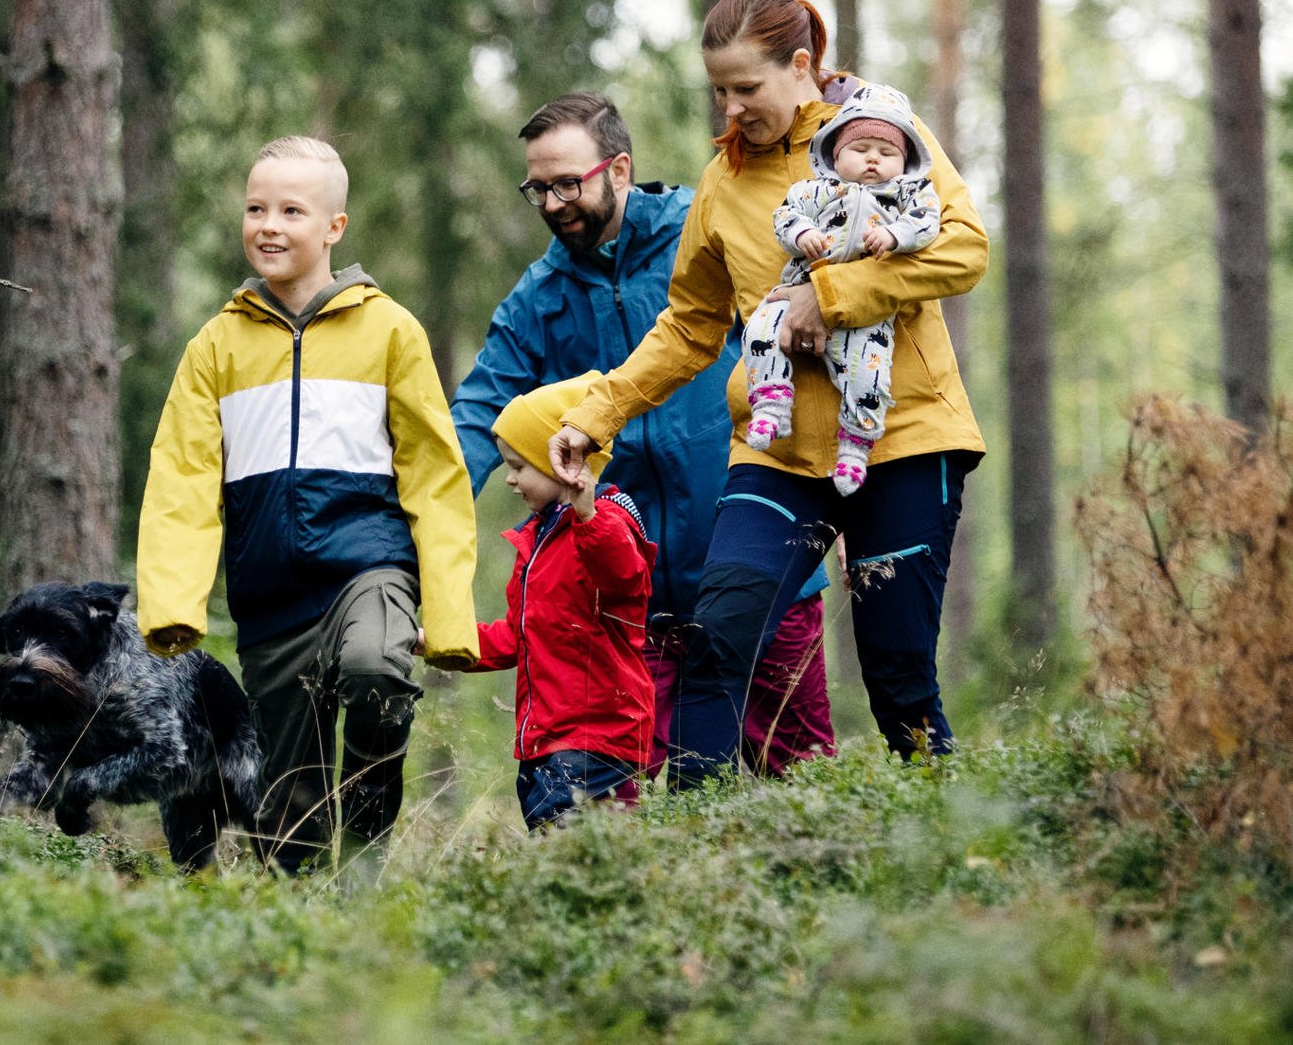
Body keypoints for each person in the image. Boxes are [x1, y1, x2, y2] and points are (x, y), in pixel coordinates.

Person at [549, 0, 986, 785]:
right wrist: (594, 416)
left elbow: (964, 250)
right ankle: (700, 847)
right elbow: (688, 326)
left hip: (902, 434)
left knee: (897, 676)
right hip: (777, 449)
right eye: (719, 88)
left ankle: (952, 841)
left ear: (800, 65)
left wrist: (830, 296)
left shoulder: (879, 136)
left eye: (746, 87)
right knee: (718, 636)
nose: (730, 105)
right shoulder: (724, 180)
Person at [451, 93, 834, 779]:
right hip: (632, 601)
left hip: (758, 559)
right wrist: (415, 521)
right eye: (535, 187)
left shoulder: (704, 229)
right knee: (645, 802)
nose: (549, 203)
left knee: (803, 772)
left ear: (619, 169)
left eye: (566, 182)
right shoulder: (539, 297)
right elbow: (478, 414)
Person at [135, 135, 479, 875]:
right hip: (270, 603)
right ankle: (309, 926)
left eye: (292, 209)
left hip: (368, 570)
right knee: (288, 821)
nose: (269, 224)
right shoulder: (216, 347)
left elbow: (434, 474)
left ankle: (364, 852)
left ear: (333, 228)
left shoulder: (389, 330)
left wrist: (448, 612)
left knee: (376, 672)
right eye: (256, 207)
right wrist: (171, 605)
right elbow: (182, 484)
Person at [463, 373, 657, 831]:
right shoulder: (536, 541)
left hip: (598, 741)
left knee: (570, 858)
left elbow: (627, 579)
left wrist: (586, 512)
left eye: (518, 465)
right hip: (543, 743)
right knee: (561, 858)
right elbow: (515, 636)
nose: (509, 479)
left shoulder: (606, 521)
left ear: (559, 461)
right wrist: (441, 641)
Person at [742, 81, 942, 495]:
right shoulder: (814, 191)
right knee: (760, 328)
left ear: (904, 162)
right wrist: (801, 234)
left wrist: (896, 236)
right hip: (798, 288)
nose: (873, 160)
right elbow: (784, 216)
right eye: (860, 149)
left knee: (869, 372)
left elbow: (927, 220)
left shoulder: (904, 194)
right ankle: (770, 400)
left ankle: (856, 444)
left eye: (887, 153)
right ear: (835, 153)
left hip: (865, 314)